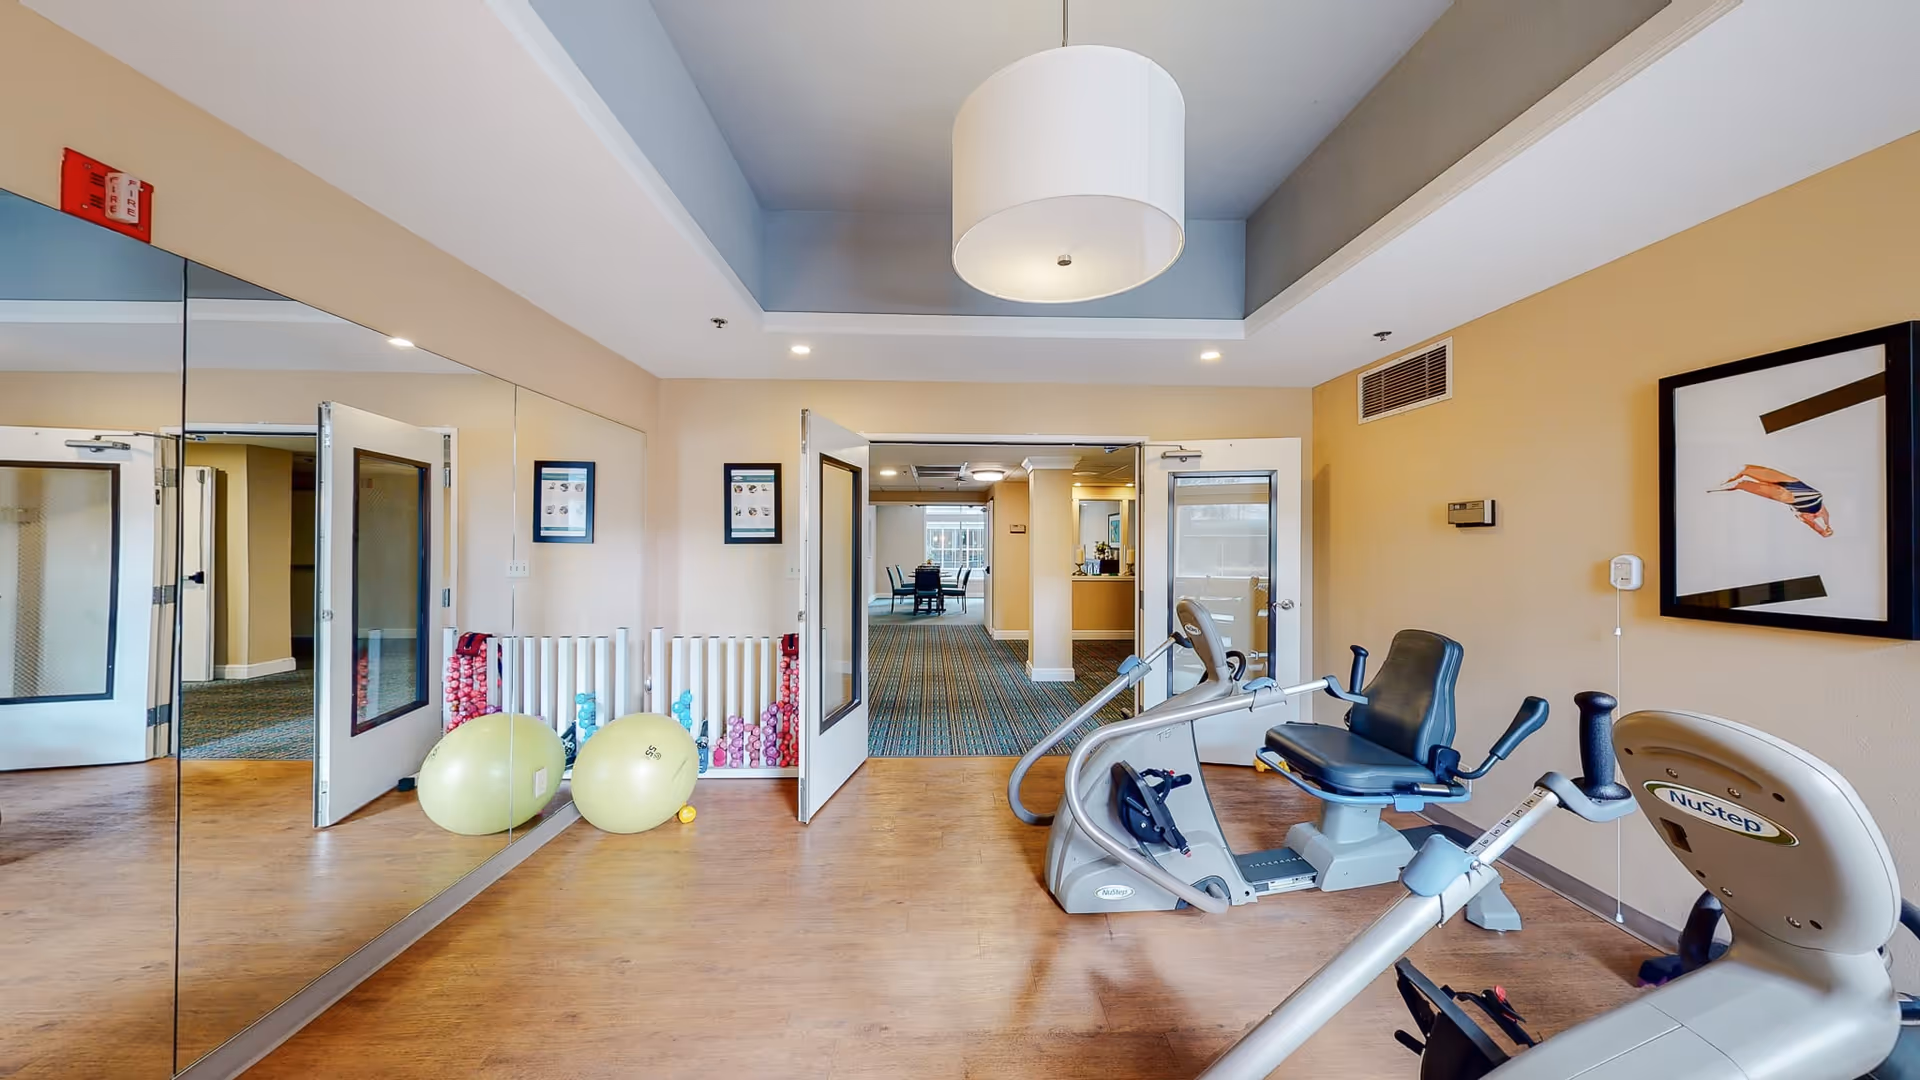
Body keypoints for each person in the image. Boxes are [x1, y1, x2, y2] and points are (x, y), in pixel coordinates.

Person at [1710, 465, 1832, 536]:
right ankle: (1731, 482)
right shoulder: (1815, 513)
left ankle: (1730, 482)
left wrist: (1824, 529)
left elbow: (1820, 522)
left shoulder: (1813, 513)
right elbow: (1821, 522)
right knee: (1744, 475)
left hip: (1800, 491)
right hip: (1799, 493)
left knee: (1745, 472)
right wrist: (1825, 528)